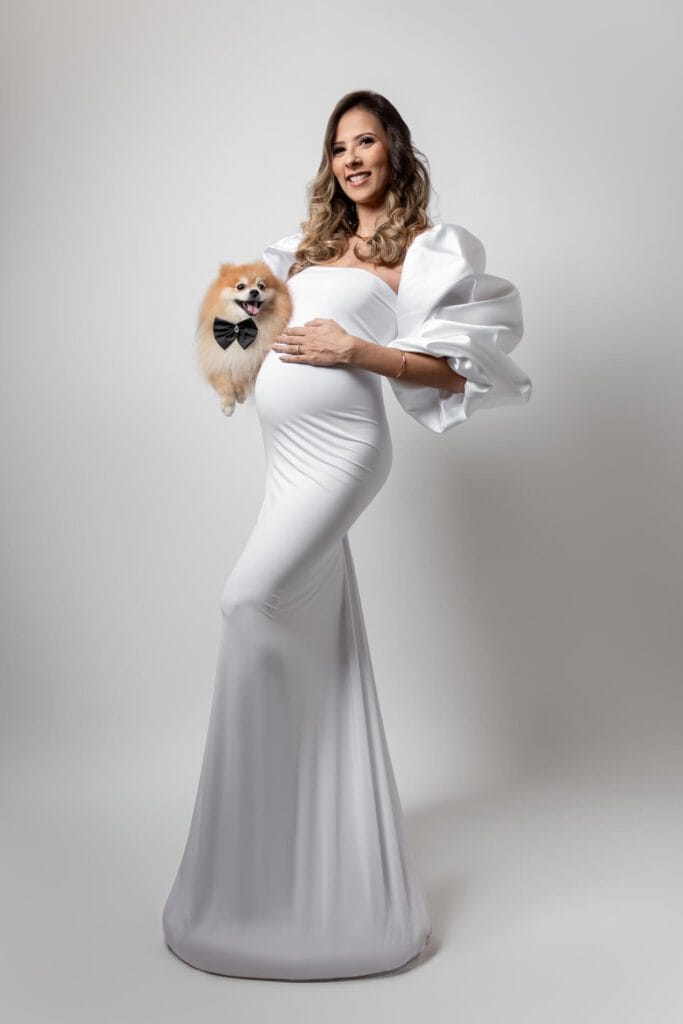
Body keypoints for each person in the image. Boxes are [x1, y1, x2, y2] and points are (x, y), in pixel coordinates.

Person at [162, 90, 531, 982]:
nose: (351, 159)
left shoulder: (422, 250)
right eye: (338, 148)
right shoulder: (303, 248)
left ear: (393, 150)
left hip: (343, 452)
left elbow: (459, 372)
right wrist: (235, 358)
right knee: (295, 628)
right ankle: (290, 837)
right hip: (284, 456)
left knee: (247, 603)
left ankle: (277, 815)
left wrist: (352, 351)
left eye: (365, 142)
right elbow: (237, 326)